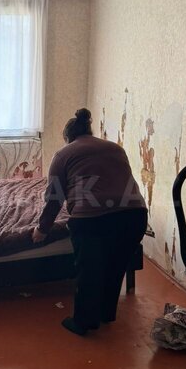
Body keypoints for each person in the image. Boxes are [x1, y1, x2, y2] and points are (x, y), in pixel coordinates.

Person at [32, 108, 147, 336]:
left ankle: (83, 322)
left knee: (89, 270)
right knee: (115, 268)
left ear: (68, 137)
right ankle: (106, 314)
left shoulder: (63, 154)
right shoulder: (115, 148)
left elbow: (54, 197)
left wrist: (42, 229)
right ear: (89, 131)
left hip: (92, 219)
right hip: (135, 215)